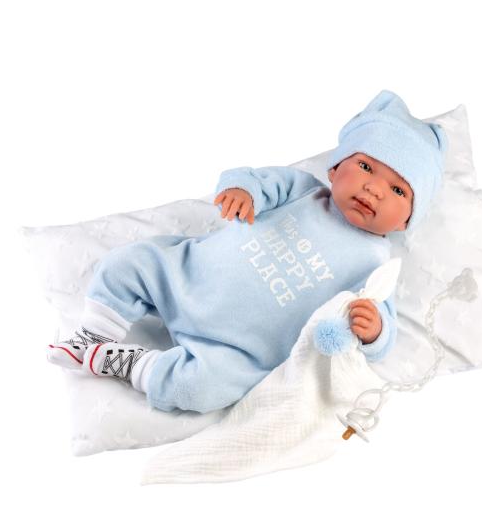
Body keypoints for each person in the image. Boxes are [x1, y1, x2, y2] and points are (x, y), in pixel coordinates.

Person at [46, 90, 447, 413]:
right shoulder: (303, 191)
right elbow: (252, 179)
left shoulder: (376, 264)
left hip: (235, 350)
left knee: (201, 390)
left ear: (405, 222)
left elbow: (384, 329)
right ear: (334, 168)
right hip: (185, 277)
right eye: (366, 167)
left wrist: (374, 330)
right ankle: (93, 333)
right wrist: (242, 191)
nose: (374, 188)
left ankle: (128, 363)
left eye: (398, 190)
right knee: (129, 264)